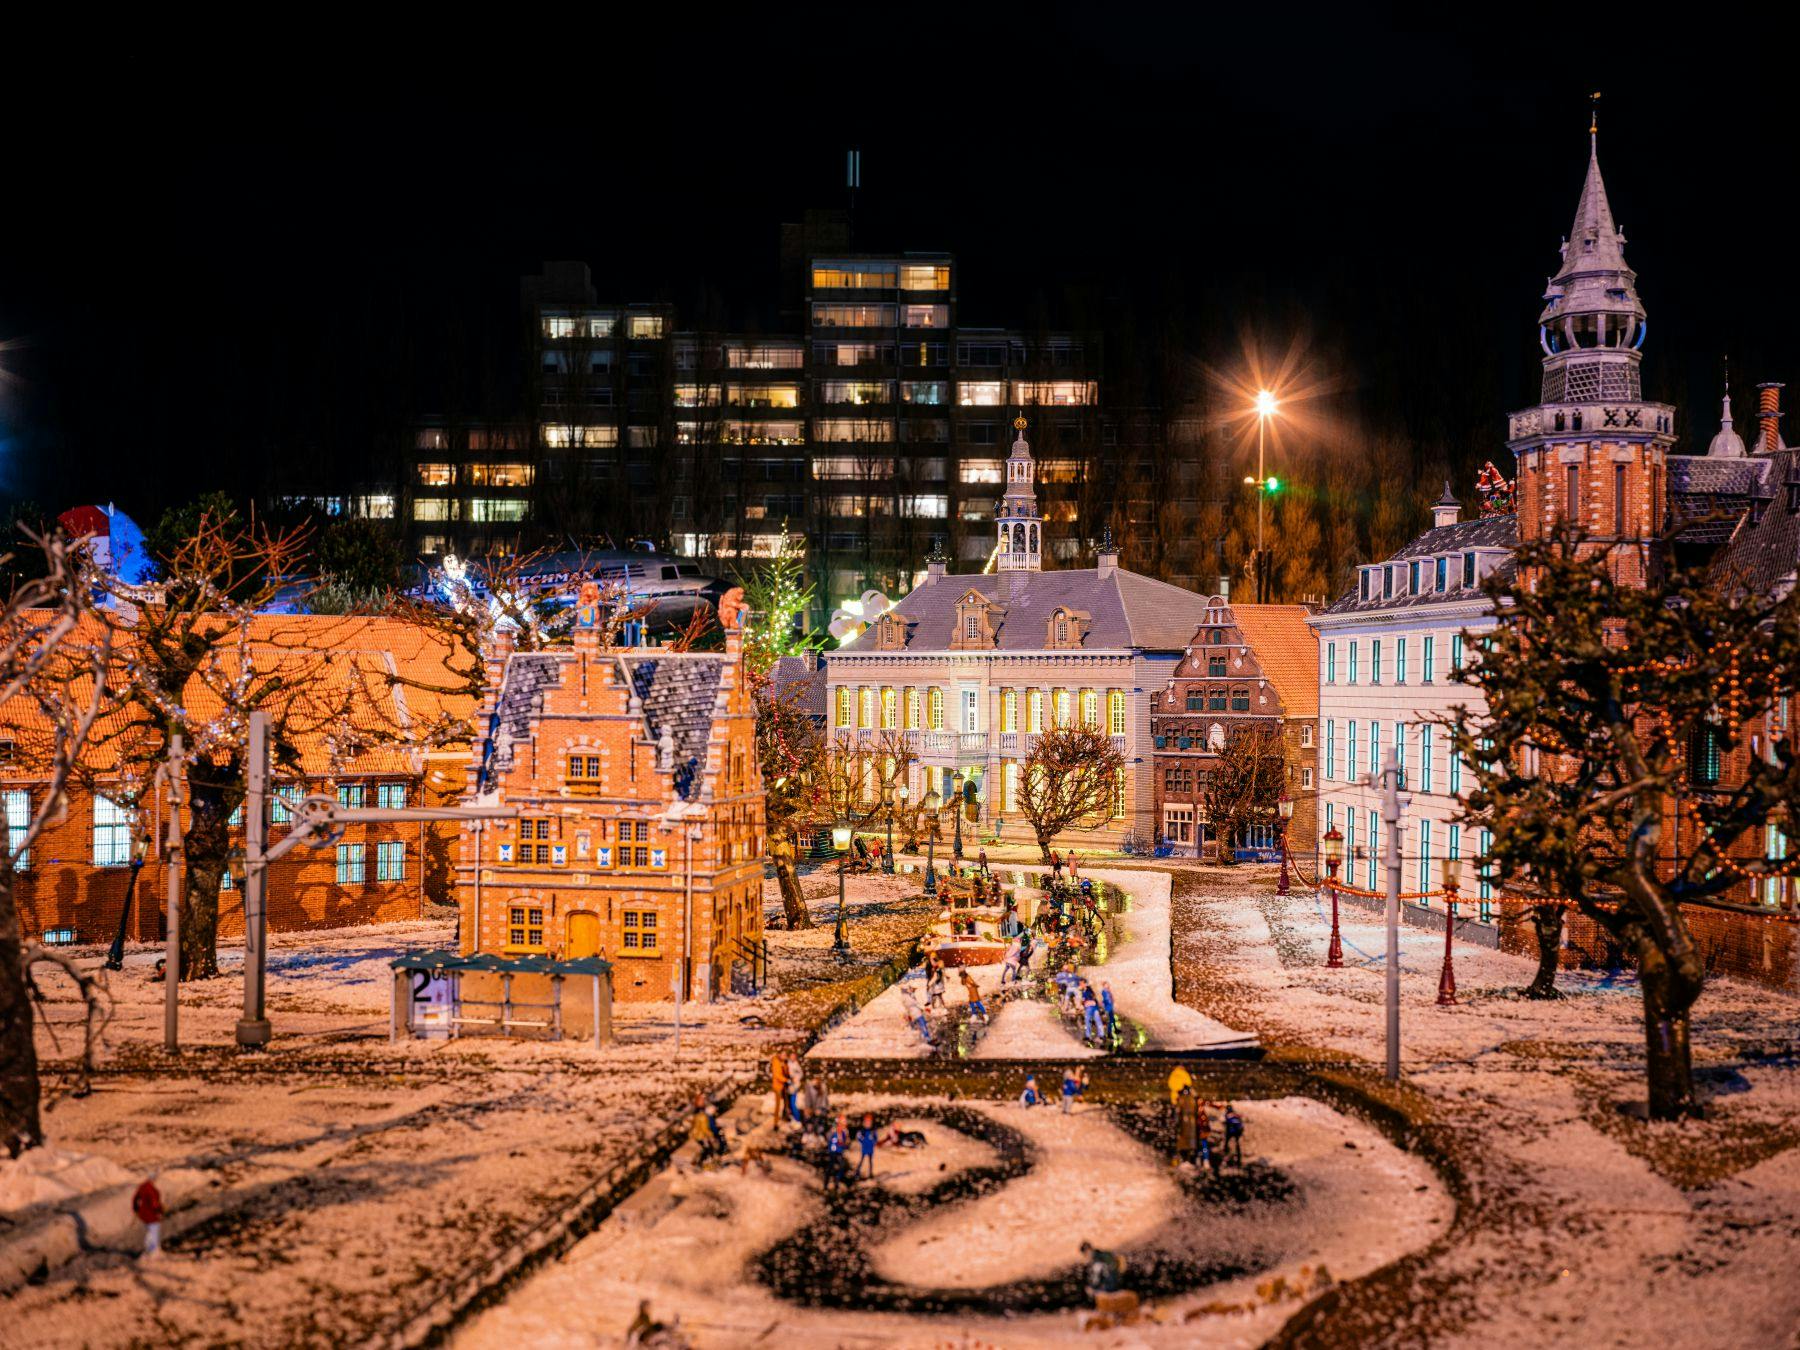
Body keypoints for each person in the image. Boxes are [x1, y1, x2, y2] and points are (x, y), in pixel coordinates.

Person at [133, 1174, 165, 1258]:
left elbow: (135, 1199)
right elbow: (154, 1203)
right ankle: (152, 1251)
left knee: (149, 1231)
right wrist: (160, 1211)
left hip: (143, 1213)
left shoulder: (142, 1187)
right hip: (151, 1214)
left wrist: (136, 1209)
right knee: (153, 1231)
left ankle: (148, 1250)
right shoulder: (151, 1189)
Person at [690, 1097, 728, 1166]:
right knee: (708, 1149)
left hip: (700, 1135)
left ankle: (703, 1162)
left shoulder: (702, 1114)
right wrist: (711, 1135)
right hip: (700, 1136)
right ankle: (700, 1163)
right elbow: (704, 1128)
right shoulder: (702, 1116)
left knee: (709, 1148)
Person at [1174, 1085, 1199, 1165]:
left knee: (1184, 1140)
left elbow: (1177, 1112)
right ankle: (1189, 1158)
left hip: (1185, 1122)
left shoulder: (1181, 1099)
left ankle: (1185, 1159)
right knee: (1190, 1140)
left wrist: (1177, 1122)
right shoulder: (1192, 1099)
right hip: (1191, 1122)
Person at [824, 1114, 851, 1190]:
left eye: (844, 1121)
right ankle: (826, 1183)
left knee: (842, 1165)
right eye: (842, 1121)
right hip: (833, 1150)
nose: (844, 1123)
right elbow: (828, 1137)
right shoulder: (834, 1130)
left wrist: (846, 1144)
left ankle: (837, 1180)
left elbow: (847, 1141)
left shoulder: (845, 1131)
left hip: (840, 1150)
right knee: (831, 1166)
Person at [855, 1112, 879, 1179]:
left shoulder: (873, 1130)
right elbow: (859, 1137)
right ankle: (857, 1172)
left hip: (870, 1148)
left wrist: (873, 1142)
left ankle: (870, 1174)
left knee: (870, 1161)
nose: (868, 1123)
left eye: (869, 1121)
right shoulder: (862, 1131)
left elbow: (876, 1137)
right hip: (864, 1147)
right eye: (867, 1121)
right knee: (862, 1160)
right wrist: (862, 1141)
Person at [769, 1049, 790, 1123]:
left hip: (784, 1086)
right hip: (778, 1086)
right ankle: (776, 1123)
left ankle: (785, 1116)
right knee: (778, 1105)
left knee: (786, 1102)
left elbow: (786, 1071)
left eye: (785, 1055)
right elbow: (777, 1075)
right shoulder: (776, 1062)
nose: (785, 1057)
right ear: (780, 1055)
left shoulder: (783, 1062)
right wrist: (786, 1080)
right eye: (783, 1055)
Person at [1222, 1103, 1245, 1167]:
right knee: (1237, 1146)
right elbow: (1240, 1123)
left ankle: (1227, 1156)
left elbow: (1226, 1123)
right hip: (1237, 1132)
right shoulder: (1236, 1115)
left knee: (1227, 1145)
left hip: (1230, 1132)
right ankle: (1238, 1158)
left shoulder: (1227, 1115)